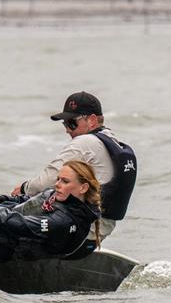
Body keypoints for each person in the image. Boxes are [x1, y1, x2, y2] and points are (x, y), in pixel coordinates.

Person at [11, 91, 136, 253]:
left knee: (22, 204)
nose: (67, 130)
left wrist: (22, 189)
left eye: (71, 123)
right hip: (97, 235)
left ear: (91, 120)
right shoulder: (113, 142)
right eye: (65, 124)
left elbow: (45, 182)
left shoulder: (85, 142)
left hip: (77, 233)